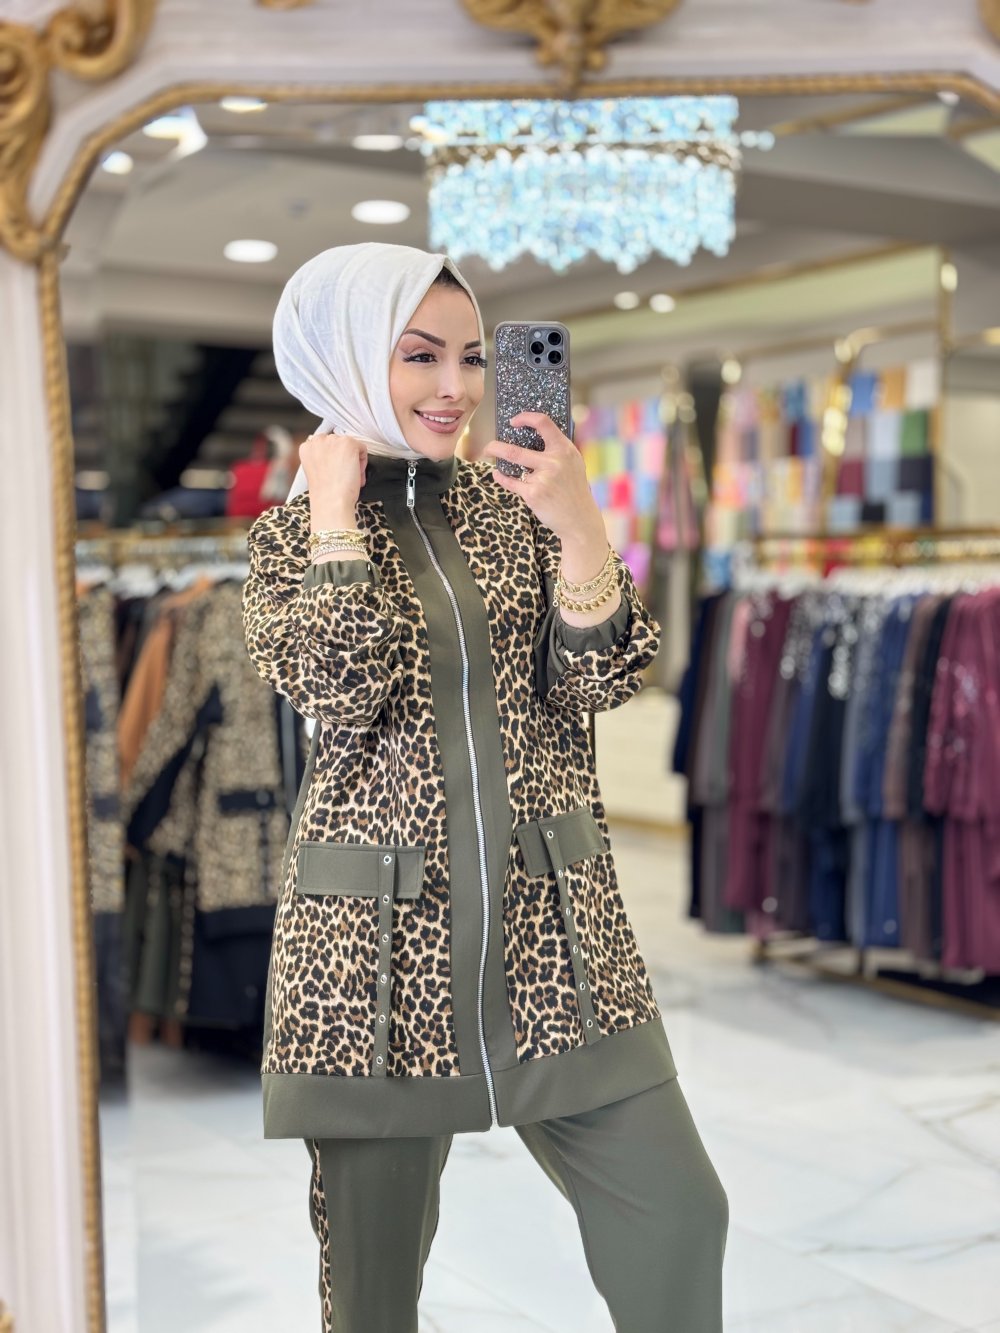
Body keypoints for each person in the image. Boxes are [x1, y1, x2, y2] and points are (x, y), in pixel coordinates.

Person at [242, 242, 728, 1332]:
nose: (454, 386)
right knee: (373, 1294)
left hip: (560, 938)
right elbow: (339, 685)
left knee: (681, 1214)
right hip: (377, 958)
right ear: (346, 358)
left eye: (470, 356)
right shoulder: (286, 539)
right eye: (418, 355)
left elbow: (603, 679)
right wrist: (333, 516)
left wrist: (579, 522)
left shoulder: (518, 510)